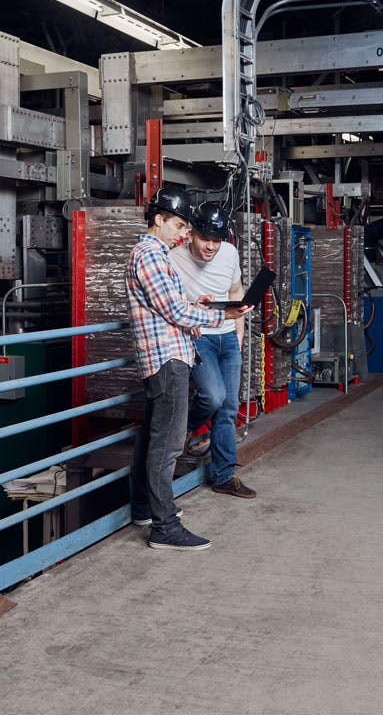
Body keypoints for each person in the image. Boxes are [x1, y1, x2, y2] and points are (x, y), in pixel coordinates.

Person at [126, 187, 252, 550]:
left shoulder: (157, 255)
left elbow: (172, 306)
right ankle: (164, 527)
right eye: (179, 226)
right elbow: (174, 310)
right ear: (159, 219)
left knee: (154, 439)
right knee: (166, 446)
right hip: (167, 359)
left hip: (170, 355)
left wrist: (198, 305)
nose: (183, 234)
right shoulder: (149, 255)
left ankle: (145, 509)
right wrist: (221, 315)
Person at [170, 201, 256, 500]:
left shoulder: (229, 253)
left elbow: (235, 292)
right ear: (191, 234)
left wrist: (239, 335)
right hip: (199, 337)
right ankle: (184, 428)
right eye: (205, 238)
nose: (210, 246)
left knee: (228, 408)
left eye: (216, 240)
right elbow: (172, 304)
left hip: (228, 336)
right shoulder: (174, 258)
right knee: (213, 396)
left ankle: (224, 477)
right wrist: (191, 314)